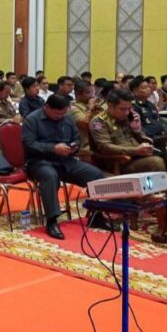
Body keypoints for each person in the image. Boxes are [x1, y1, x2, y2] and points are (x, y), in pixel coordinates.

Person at [22, 94, 106, 239]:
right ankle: (51, 221)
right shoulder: (32, 119)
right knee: (50, 176)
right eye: (57, 114)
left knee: (95, 174)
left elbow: (76, 138)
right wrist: (53, 148)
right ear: (47, 107)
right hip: (39, 161)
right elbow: (29, 145)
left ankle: (97, 215)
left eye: (63, 113)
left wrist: (74, 147)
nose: (60, 116)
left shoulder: (67, 118)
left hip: (66, 161)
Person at [89, 89, 167, 172]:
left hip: (140, 155)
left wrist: (137, 130)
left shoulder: (129, 117)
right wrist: (135, 151)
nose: (126, 112)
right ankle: (164, 190)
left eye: (129, 108)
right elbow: (105, 147)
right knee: (156, 162)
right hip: (122, 161)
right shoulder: (99, 121)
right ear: (110, 105)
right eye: (122, 109)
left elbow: (143, 139)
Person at [69, 79, 102, 159]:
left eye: (93, 92)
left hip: (100, 140)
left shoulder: (92, 105)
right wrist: (91, 109)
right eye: (88, 93)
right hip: (86, 146)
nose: (92, 96)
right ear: (78, 93)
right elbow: (85, 124)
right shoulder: (73, 107)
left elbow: (101, 124)